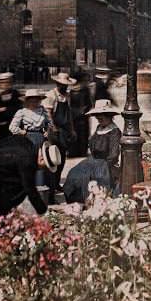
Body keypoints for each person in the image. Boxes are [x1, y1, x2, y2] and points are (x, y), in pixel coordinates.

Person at [0, 137, 61, 241]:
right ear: (41, 159)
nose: (41, 169)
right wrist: (44, 212)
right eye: (43, 167)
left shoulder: (27, 142)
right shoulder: (28, 162)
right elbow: (31, 191)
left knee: (8, 199)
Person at [63, 99, 121, 204]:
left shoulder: (114, 131)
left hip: (107, 163)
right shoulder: (99, 128)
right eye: (97, 115)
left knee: (98, 178)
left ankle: (96, 202)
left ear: (109, 115)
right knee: (74, 174)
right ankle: (79, 201)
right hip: (93, 160)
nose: (99, 118)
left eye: (102, 115)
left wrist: (100, 166)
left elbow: (114, 155)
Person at [43, 72, 76, 201]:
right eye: (62, 85)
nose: (64, 87)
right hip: (54, 131)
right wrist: (53, 128)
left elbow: (70, 115)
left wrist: (72, 130)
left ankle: (56, 184)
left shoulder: (67, 96)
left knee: (61, 159)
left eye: (66, 85)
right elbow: (48, 114)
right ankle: (50, 187)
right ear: (57, 84)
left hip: (64, 130)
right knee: (52, 159)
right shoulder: (51, 96)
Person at [0, 72, 23, 141]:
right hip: (1, 129)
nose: (4, 85)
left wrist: (4, 110)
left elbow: (17, 110)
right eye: (2, 83)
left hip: (14, 127)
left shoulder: (16, 95)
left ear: (10, 83)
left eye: (7, 82)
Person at [68, 71, 92, 158]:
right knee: (83, 133)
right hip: (83, 114)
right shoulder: (85, 90)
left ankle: (73, 151)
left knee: (74, 131)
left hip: (73, 114)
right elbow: (89, 103)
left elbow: (70, 104)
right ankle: (82, 152)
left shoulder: (71, 90)